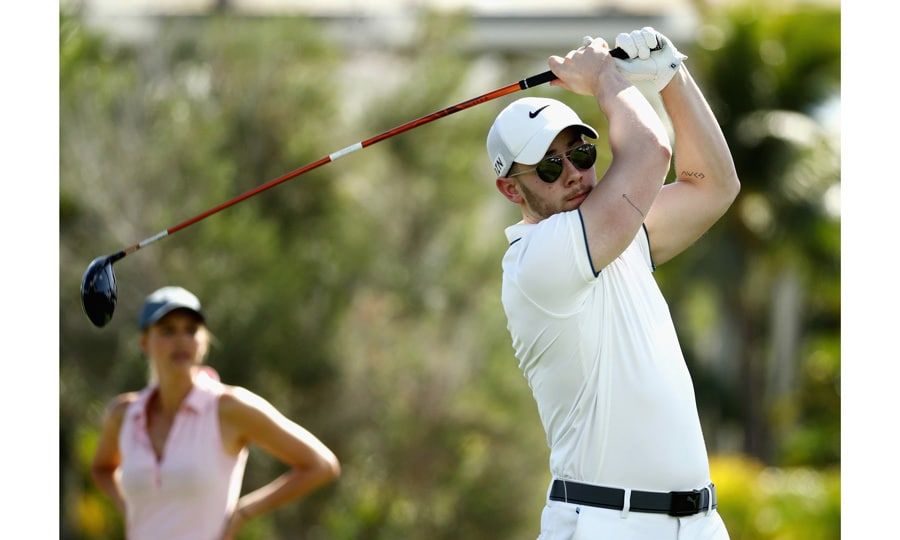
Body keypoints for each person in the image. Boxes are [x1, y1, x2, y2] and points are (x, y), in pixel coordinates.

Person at [486, 28, 739, 539]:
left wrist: (671, 75)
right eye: (549, 167)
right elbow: (650, 152)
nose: (574, 174)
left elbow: (713, 186)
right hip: (604, 522)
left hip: (698, 523)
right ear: (510, 187)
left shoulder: (623, 235)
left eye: (580, 154)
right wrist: (604, 76)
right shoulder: (537, 261)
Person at [91, 286, 341, 540]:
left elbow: (320, 465)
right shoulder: (124, 415)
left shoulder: (229, 408)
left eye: (191, 330)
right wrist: (129, 508)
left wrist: (244, 512)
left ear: (204, 341)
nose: (181, 340)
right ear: (144, 341)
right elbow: (102, 469)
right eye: (168, 330)